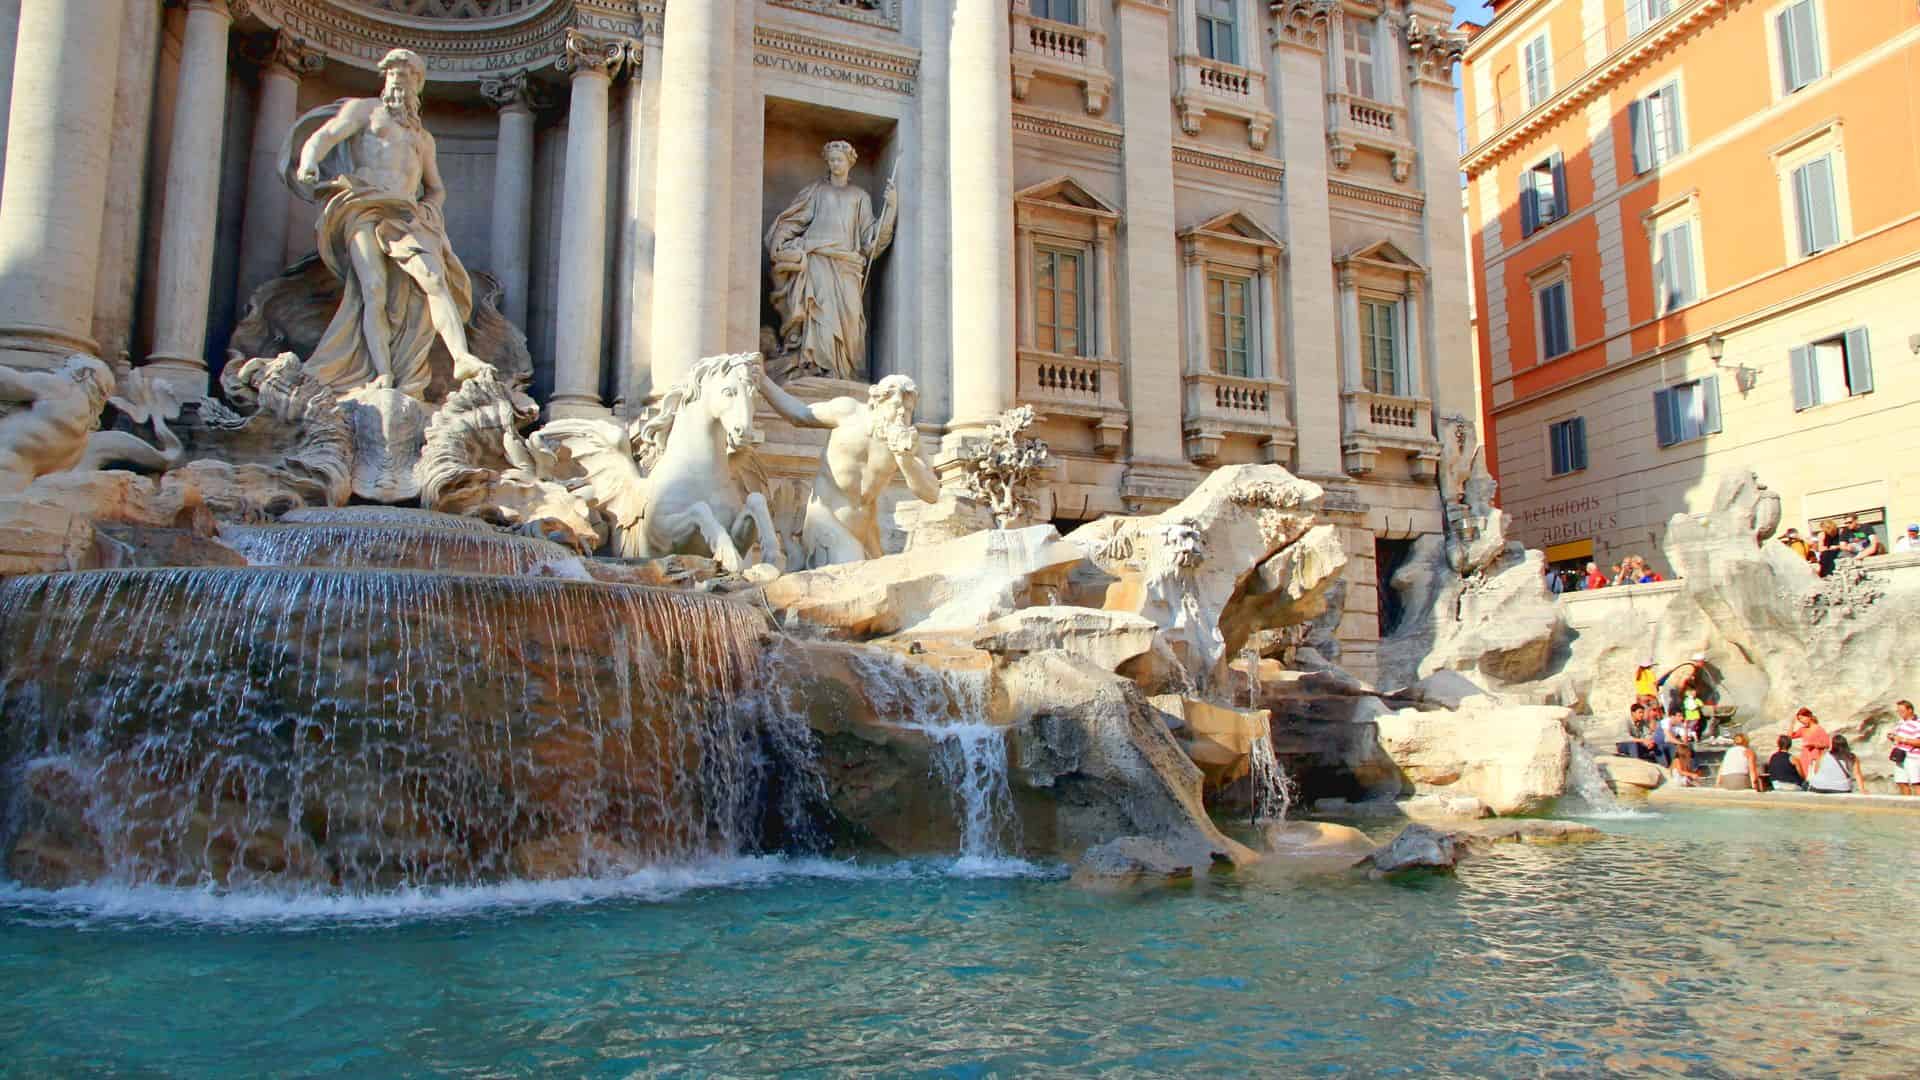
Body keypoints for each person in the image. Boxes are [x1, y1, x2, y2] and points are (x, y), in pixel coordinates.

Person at [288, 48, 494, 397]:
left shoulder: (422, 139)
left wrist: (430, 209)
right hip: (361, 206)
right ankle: (381, 373)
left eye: (408, 73)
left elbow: (436, 188)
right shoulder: (364, 111)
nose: (399, 78)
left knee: (433, 279)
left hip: (404, 215)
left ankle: (461, 358)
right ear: (385, 78)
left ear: (418, 84)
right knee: (373, 289)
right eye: (394, 72)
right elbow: (325, 135)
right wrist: (309, 162)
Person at [1887, 699, 1920, 796]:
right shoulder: (1900, 722)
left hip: (1913, 757)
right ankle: (1907, 804)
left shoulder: (1918, 723)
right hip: (1900, 756)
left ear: (1910, 710)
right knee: (1901, 782)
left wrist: (1903, 739)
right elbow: (1898, 738)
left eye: (1902, 711)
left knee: (1916, 782)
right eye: (1898, 711)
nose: (1900, 713)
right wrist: (1892, 737)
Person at [1789, 708, 1832, 778]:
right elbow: (1789, 737)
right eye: (1799, 720)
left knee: (1814, 779)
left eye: (1801, 718)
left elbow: (1827, 744)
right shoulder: (1803, 729)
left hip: (1815, 759)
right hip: (1804, 759)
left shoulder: (1819, 729)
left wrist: (1814, 745)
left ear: (1808, 716)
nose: (1801, 721)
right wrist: (1792, 724)